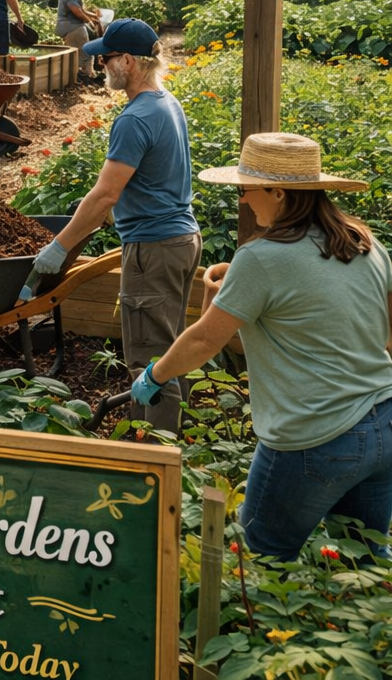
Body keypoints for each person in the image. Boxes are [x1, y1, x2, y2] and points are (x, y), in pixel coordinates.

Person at [130, 133, 392, 561]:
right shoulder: (364, 242)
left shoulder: (262, 258)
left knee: (259, 558)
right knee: (364, 560)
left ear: (278, 191)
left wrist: (154, 375)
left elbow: (204, 340)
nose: (244, 201)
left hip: (315, 436)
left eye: (245, 189)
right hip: (384, 424)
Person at [24, 18, 201, 434]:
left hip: (153, 248)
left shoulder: (135, 119)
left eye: (105, 59)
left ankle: (153, 463)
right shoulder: (166, 102)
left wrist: (59, 247)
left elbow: (105, 196)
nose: (101, 66)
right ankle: (182, 437)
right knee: (174, 350)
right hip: (181, 239)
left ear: (127, 61)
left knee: (150, 362)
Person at [55, 0, 103, 83]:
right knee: (86, 56)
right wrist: (89, 21)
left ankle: (76, 80)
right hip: (73, 27)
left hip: (67, 26)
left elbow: (80, 9)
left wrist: (93, 16)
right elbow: (75, 10)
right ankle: (87, 80)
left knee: (74, 57)